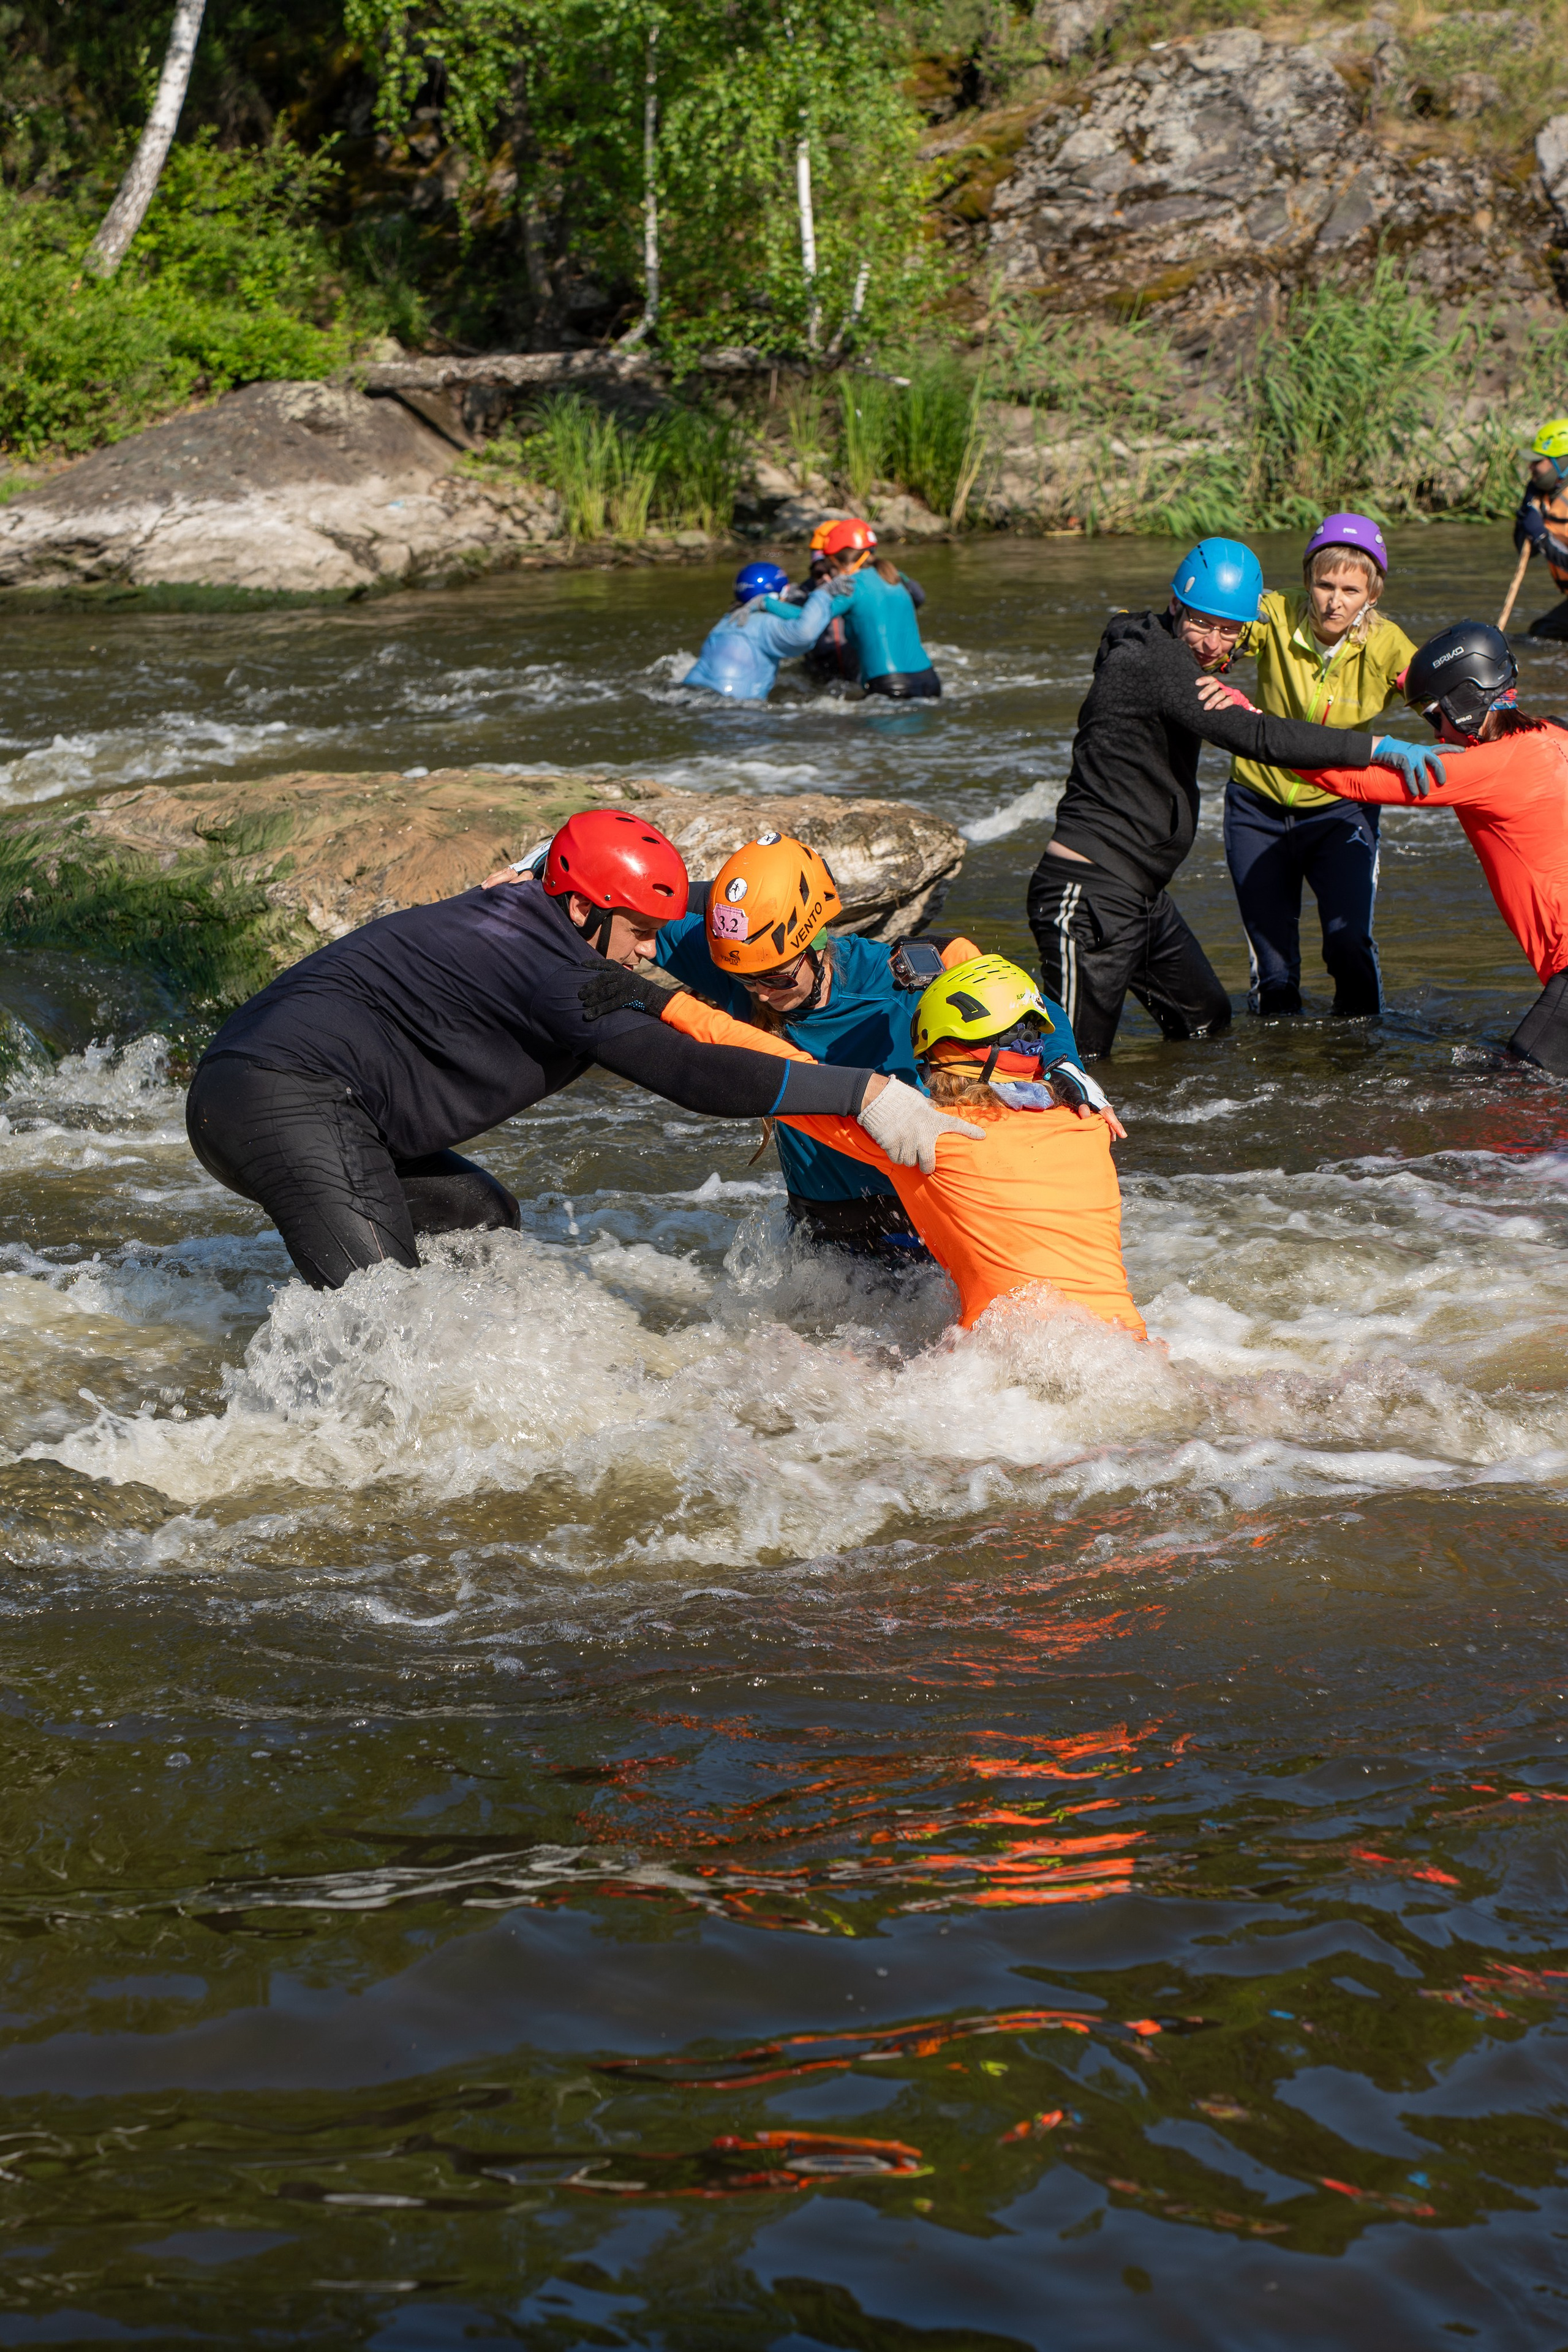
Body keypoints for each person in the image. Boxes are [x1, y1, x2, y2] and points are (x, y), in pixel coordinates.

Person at [185, 809, 978, 1290]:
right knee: (380, 1321)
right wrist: (866, 1094)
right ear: (584, 909)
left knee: (479, 1220)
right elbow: (692, 1073)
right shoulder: (555, 970)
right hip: (277, 1098)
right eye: (635, 934)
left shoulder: (545, 906)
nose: (645, 952)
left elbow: (682, 906)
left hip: (311, 1101)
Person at [1025, 535, 1445, 1060]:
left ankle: (1165, 1132)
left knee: (1206, 1019)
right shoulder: (1161, 666)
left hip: (1144, 899)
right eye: (1202, 622)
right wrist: (1377, 747)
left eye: (1228, 631)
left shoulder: (1150, 639)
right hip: (1087, 892)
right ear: (1176, 603)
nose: (1211, 643)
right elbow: (1261, 738)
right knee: (1075, 1064)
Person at [581, 953, 1144, 1335]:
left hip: (1007, 1371)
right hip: (1125, 1351)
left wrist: (660, 1002)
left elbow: (780, 1067)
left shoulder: (932, 1142)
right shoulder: (1090, 1119)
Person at [652, 829, 1112, 1261]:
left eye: (776, 977)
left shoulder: (898, 981)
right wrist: (737, 896)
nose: (762, 993)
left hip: (916, 1214)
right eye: (744, 980)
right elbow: (635, 912)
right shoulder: (743, 957)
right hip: (820, 1223)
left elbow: (1034, 1007)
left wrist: (1067, 1067)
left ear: (816, 941)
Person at [1300, 620, 1568, 1076]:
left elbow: (1357, 781)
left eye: (1434, 713)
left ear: (1466, 701)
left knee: (1519, 1093)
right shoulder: (1554, 736)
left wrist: (1258, 736)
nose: (1435, 731)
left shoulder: (1484, 768)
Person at [1224, 513, 1417, 1018]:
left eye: (1351, 589)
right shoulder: (1274, 612)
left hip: (1342, 808)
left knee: (1348, 944)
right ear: (1307, 580)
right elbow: (1221, 634)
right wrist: (1213, 653)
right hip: (1255, 805)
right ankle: (1278, 1078)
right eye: (1324, 584)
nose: (1335, 600)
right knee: (1275, 971)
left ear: (1372, 594)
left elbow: (1437, 698)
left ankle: (1361, 1065)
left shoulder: (1388, 644)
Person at [680, 560, 848, 700]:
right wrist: (823, 594)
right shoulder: (767, 624)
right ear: (777, 596)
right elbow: (805, 634)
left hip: (687, 691)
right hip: (730, 705)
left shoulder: (726, 621)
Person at [819, 520, 941, 701]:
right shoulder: (894, 575)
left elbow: (805, 621)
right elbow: (919, 597)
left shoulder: (851, 587)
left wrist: (767, 604)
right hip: (930, 681)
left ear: (835, 559)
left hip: (890, 685)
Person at [1512, 421, 1568, 641]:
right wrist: (1525, 516)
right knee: (1542, 633)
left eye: (1538, 462)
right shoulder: (1543, 496)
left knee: (1546, 634)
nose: (1531, 467)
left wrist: (1542, 538)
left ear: (1561, 462)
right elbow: (1525, 550)